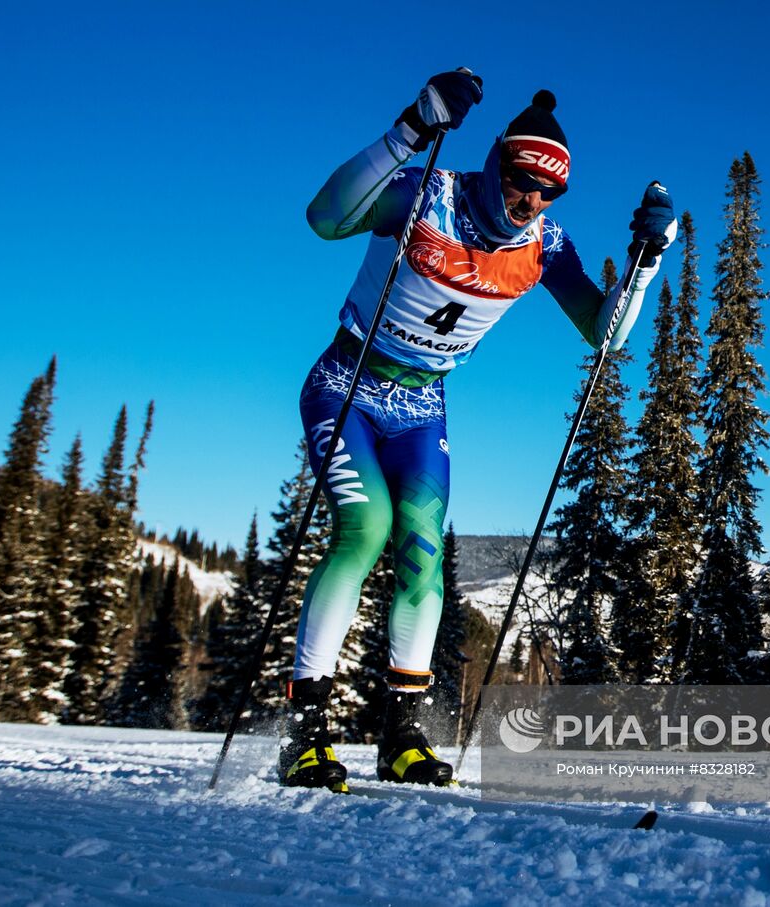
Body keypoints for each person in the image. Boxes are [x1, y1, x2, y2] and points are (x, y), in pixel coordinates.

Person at [282, 69, 676, 790]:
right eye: (522, 177)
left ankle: (399, 732)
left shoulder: (546, 245)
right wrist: (410, 129)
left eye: (547, 189)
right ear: (497, 162)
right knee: (364, 528)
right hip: (348, 383)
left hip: (423, 407)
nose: (530, 198)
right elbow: (325, 217)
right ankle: (305, 732)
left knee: (423, 554)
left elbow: (606, 334)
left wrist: (646, 264)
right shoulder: (428, 194)